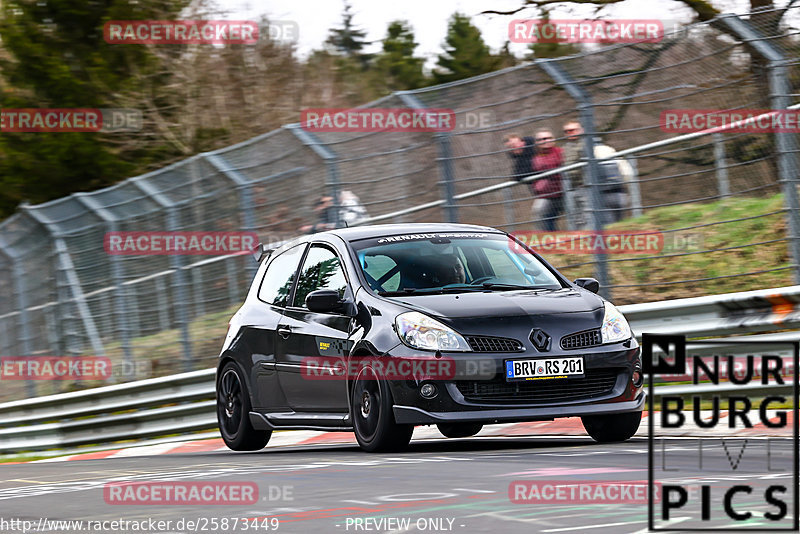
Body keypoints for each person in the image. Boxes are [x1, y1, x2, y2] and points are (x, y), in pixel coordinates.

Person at [561, 120, 634, 228]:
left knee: (599, 221)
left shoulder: (587, 149)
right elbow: (626, 171)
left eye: (572, 130)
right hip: (612, 190)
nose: (570, 133)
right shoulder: (565, 149)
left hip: (593, 189)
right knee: (614, 223)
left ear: (582, 130)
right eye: (566, 131)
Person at [530, 128, 565, 232]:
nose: (545, 141)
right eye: (542, 139)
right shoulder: (534, 157)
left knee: (576, 215)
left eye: (548, 138)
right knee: (539, 214)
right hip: (545, 194)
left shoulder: (560, 152)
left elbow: (552, 166)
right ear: (537, 142)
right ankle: (549, 240)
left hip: (563, 192)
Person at [299, 190, 368, 234]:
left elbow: (340, 225)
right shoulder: (331, 211)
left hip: (357, 232)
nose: (326, 204)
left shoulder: (348, 204)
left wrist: (316, 227)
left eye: (325, 202)